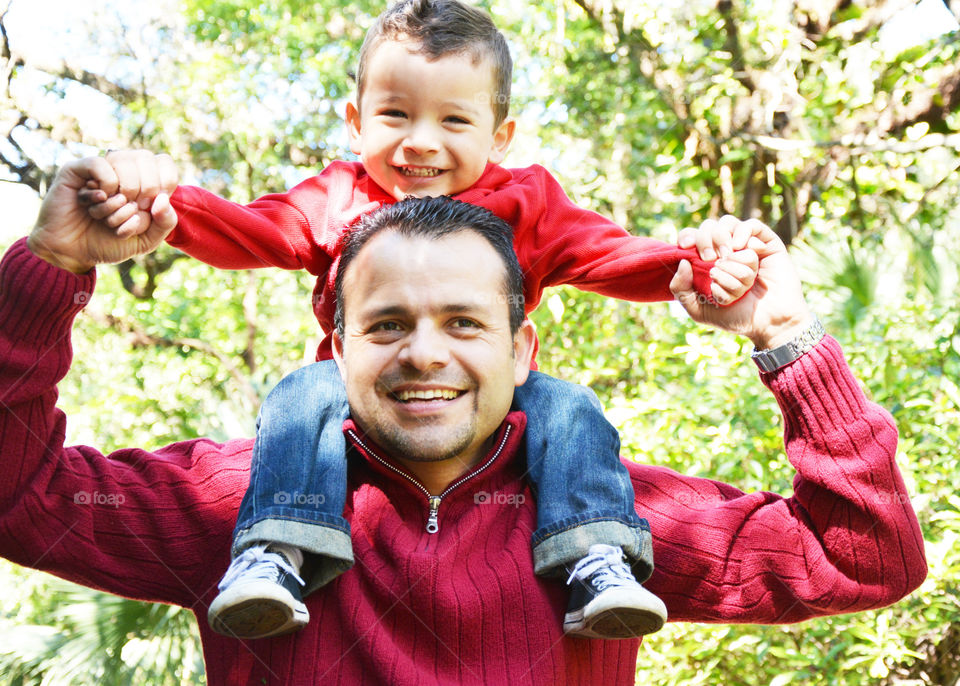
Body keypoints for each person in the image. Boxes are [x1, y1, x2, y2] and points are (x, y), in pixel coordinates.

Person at [1, 158, 927, 685]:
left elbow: (864, 558)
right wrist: (49, 265)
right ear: (337, 343)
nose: (426, 354)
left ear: (524, 351)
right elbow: (19, 497)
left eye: (465, 324)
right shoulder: (238, 508)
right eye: (388, 324)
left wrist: (784, 336)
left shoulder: (606, 516)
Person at [78, 0, 762, 641]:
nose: (420, 143)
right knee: (300, 393)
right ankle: (274, 550)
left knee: (570, 406)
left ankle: (594, 556)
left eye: (454, 122)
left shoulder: (527, 202)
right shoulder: (338, 196)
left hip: (491, 410)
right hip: (358, 410)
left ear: (500, 136)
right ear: (356, 121)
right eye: (395, 115)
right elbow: (262, 229)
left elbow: (605, 255)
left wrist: (694, 265)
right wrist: (170, 210)